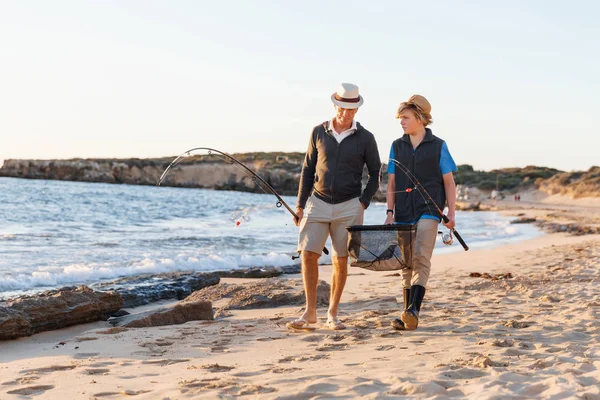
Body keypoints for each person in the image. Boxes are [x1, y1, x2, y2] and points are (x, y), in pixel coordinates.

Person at [287, 83, 381, 331]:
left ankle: (333, 313)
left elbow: (375, 174)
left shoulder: (366, 138)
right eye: (342, 108)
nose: (346, 113)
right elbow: (307, 170)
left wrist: (363, 202)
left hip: (349, 206)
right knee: (308, 254)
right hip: (317, 202)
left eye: (351, 109)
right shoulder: (318, 132)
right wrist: (299, 205)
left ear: (357, 110)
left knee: (341, 260)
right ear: (335, 105)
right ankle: (309, 313)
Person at [384, 94, 457, 331]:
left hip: (430, 209)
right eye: (400, 119)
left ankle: (414, 308)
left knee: (421, 256)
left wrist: (451, 213)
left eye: (405, 118)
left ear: (420, 118)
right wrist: (389, 211)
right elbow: (392, 183)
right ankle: (408, 315)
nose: (402, 122)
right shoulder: (397, 145)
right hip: (403, 209)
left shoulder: (438, 146)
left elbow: (449, 182)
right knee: (406, 263)